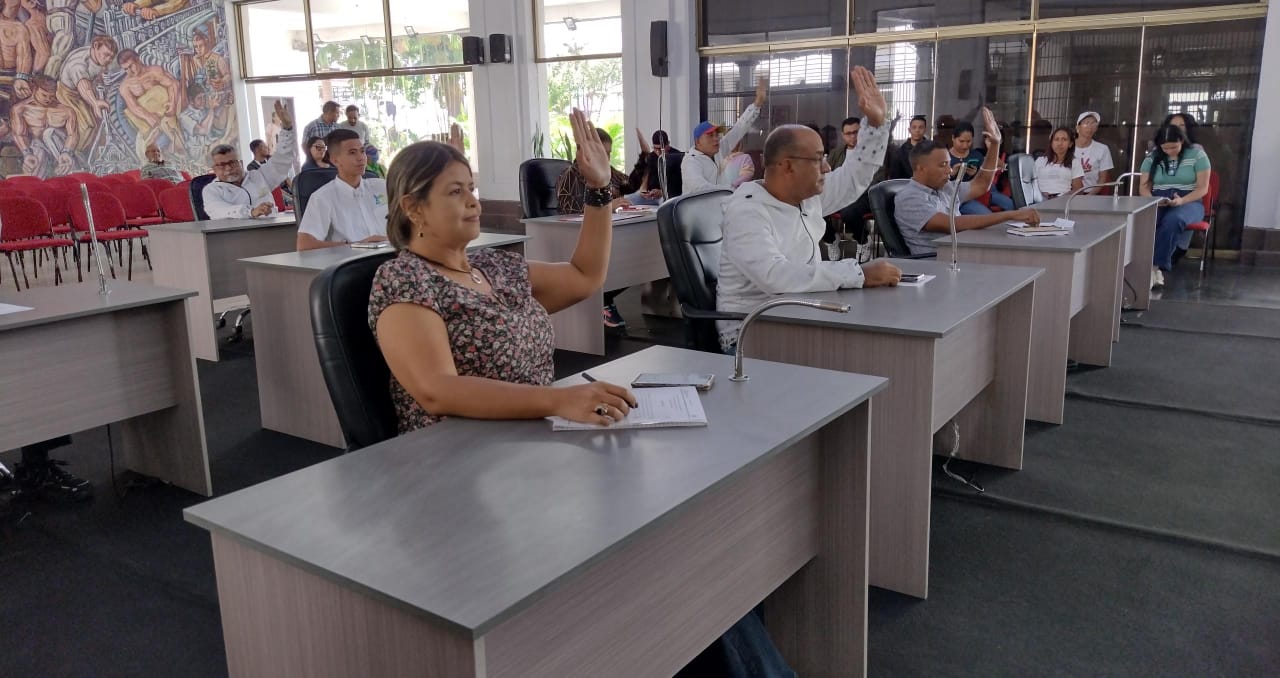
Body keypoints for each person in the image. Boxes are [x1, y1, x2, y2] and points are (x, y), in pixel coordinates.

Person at [369, 106, 794, 678]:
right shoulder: (404, 280)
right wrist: (556, 399)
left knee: (681, 526)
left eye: (472, 188)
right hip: (462, 469)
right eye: (454, 191)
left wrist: (598, 193)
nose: (473, 200)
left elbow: (586, 277)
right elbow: (437, 391)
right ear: (412, 207)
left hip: (530, 447)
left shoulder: (493, 268)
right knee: (657, 544)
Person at [716, 66, 903, 353]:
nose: (826, 167)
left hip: (799, 315)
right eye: (818, 159)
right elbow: (776, 277)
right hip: (751, 332)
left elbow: (854, 176)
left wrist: (876, 124)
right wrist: (858, 273)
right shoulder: (747, 210)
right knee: (866, 352)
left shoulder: (805, 196)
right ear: (787, 166)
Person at [892, 108, 1043, 256]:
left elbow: (981, 185)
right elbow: (953, 224)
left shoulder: (945, 188)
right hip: (938, 262)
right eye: (943, 165)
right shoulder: (909, 198)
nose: (949, 170)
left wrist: (995, 144)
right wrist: (1010, 215)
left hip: (964, 253)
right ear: (921, 168)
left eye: (948, 164)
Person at [555, 126, 638, 329]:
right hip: (577, 238)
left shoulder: (607, 171)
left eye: (608, 154)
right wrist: (608, 205)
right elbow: (572, 211)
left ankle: (605, 298)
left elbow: (629, 185)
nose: (606, 159)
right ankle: (602, 300)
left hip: (605, 231)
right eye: (603, 153)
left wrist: (646, 158)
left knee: (633, 260)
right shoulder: (570, 176)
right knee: (620, 263)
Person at [1139, 124, 1210, 289]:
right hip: (1159, 199)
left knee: (1174, 219)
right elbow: (1143, 187)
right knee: (1146, 220)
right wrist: (1153, 200)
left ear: (1182, 141)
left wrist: (1182, 201)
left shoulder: (1197, 155)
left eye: (1173, 147)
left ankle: (1154, 267)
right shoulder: (1152, 158)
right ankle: (1146, 268)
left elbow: (1202, 188)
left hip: (1190, 201)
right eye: (1165, 148)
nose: (1169, 151)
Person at [296, 128, 389, 250]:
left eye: (362, 151)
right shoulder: (322, 197)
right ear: (334, 160)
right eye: (352, 152)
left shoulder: (382, 186)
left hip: (392, 255)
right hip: (352, 259)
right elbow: (305, 244)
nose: (361, 157)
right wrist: (357, 245)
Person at [203, 99, 295, 219]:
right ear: (214, 169)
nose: (228, 168)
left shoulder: (258, 176)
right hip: (237, 231)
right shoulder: (211, 190)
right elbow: (220, 211)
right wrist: (251, 212)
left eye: (232, 162)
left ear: (240, 163)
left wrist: (287, 128)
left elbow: (282, 160)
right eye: (222, 165)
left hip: (271, 227)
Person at [682, 76, 766, 193]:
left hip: (721, 200)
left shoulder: (717, 151)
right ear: (698, 141)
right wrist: (730, 189)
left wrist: (757, 105)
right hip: (700, 204)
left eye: (717, 135)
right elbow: (700, 189)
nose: (716, 139)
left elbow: (738, 129)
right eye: (710, 135)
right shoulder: (691, 162)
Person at [949, 121, 1014, 214]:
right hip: (951, 197)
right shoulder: (945, 157)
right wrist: (951, 174)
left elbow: (987, 177)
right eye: (961, 141)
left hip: (972, 196)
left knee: (991, 212)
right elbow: (936, 182)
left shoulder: (976, 155)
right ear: (953, 138)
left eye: (968, 141)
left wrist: (975, 174)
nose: (965, 145)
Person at [1032, 126, 1084, 199]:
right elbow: (1031, 183)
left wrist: (1061, 197)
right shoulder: (1040, 161)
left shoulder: (1074, 162)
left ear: (1070, 144)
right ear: (1051, 143)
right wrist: (1040, 194)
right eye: (1056, 139)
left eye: (1064, 139)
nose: (1060, 143)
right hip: (1039, 199)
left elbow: (1078, 189)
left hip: (1063, 201)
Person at [1074, 111, 1114, 192]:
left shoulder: (1103, 149)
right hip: (1069, 193)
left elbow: (1102, 179)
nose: (1090, 127)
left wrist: (1090, 195)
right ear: (1078, 127)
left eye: (1093, 124)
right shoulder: (1068, 147)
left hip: (1092, 194)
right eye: (1086, 123)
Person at [890, 115, 928, 179]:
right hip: (907, 184)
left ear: (925, 130)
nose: (917, 130)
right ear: (909, 130)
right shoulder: (901, 152)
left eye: (920, 127)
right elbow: (895, 176)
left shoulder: (932, 149)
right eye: (914, 127)